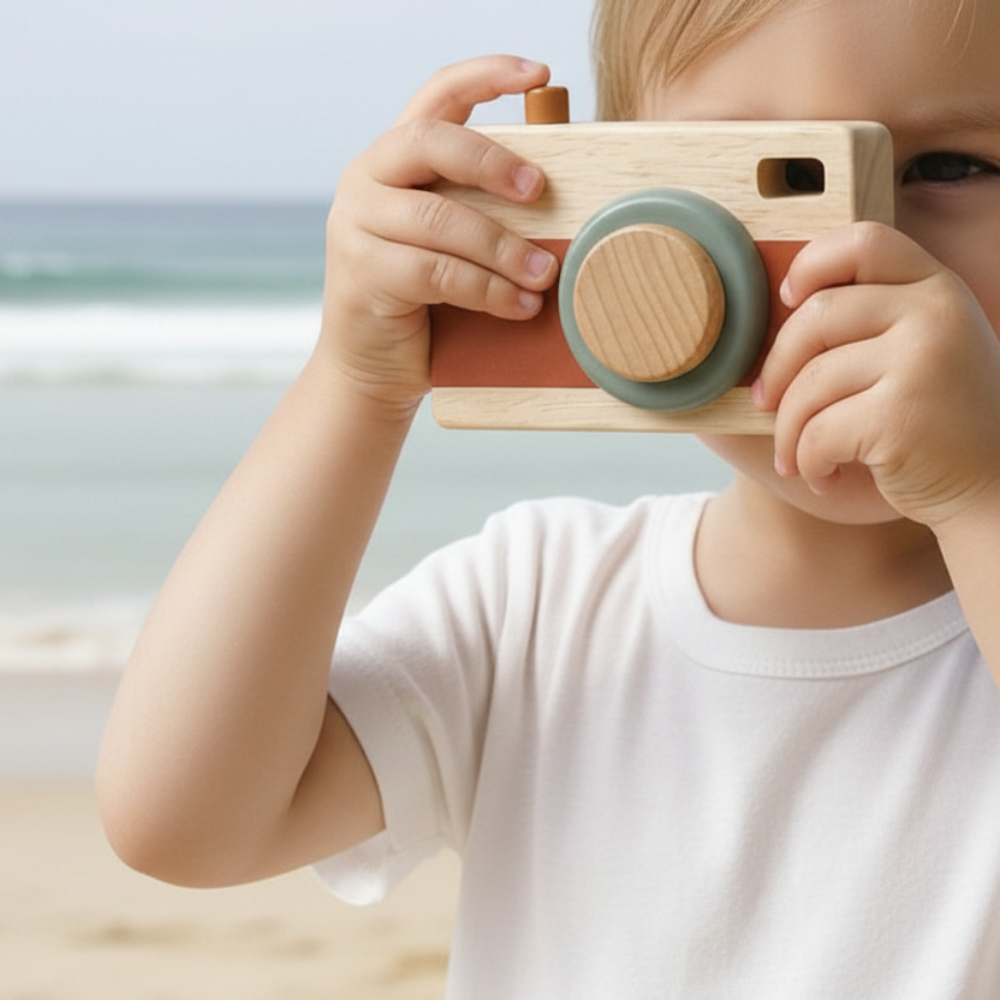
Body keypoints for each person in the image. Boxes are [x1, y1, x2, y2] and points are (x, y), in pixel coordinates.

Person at [97, 0, 1000, 994]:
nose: (849, 257)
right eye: (763, 171)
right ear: (600, 206)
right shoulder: (538, 603)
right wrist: (356, 384)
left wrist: (974, 491)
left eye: (946, 167)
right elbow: (182, 818)